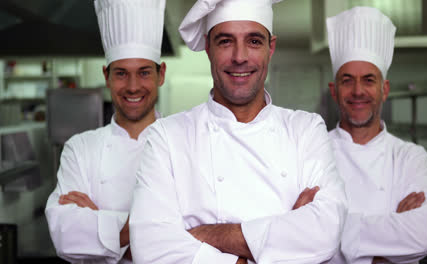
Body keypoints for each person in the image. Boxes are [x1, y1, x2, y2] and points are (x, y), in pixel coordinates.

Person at [129, 0, 347, 263]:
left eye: (254, 41)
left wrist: (206, 235)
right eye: (225, 41)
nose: (240, 57)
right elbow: (149, 247)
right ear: (208, 48)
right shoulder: (166, 136)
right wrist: (281, 235)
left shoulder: (305, 129)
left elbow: (325, 232)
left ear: (271, 48)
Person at [45, 0, 166, 263]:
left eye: (144, 72)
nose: (133, 87)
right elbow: (65, 236)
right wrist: (155, 233)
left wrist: (99, 225)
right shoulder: (80, 148)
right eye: (121, 73)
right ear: (106, 76)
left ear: (161, 74)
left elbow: (195, 241)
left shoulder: (183, 143)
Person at [326, 7, 427, 264]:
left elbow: (421, 236)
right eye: (347, 80)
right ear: (334, 90)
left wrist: (330, 229)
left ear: (384, 89)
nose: (357, 91)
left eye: (368, 80)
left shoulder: (411, 157)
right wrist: (385, 250)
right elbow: (297, 235)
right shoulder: (313, 151)